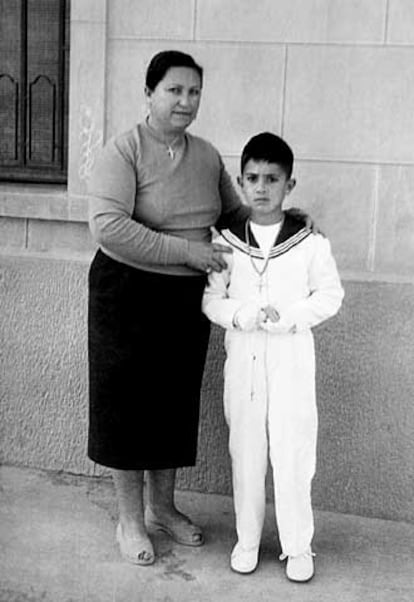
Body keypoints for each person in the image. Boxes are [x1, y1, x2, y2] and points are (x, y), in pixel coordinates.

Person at [87, 50, 314, 566]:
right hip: (124, 294)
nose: (185, 101)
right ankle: (129, 520)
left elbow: (236, 216)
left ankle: (163, 507)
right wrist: (189, 251)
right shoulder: (123, 152)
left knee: (169, 404)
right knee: (127, 407)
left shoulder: (207, 156)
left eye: (194, 92)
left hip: (184, 299)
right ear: (149, 94)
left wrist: (291, 224)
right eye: (174, 90)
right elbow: (110, 227)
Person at [202, 132, 344, 582]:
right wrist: (244, 314)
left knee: (293, 449)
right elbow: (211, 300)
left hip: (291, 360)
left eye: (272, 179)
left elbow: (330, 295)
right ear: (241, 183)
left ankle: (297, 545)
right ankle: (247, 539)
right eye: (252, 178)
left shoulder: (309, 241)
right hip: (244, 360)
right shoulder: (225, 241)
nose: (261, 188)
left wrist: (288, 316)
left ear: (290, 184)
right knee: (246, 451)